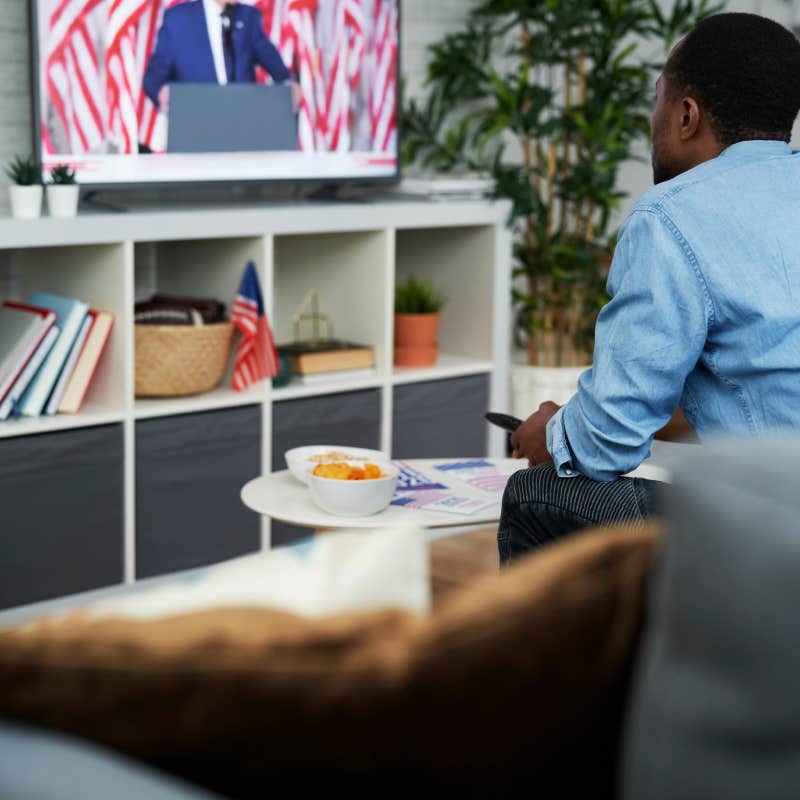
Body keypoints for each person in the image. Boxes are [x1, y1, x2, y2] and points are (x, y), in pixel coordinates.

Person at [498, 12, 800, 564]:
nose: (652, 118)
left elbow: (608, 440)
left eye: (658, 98)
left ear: (687, 116)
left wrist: (555, 435)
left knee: (535, 495)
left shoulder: (673, 216)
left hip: (779, 531)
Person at [142, 0, 291, 112]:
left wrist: (289, 86)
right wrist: (163, 94)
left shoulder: (248, 17)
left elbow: (279, 72)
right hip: (195, 125)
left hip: (244, 122)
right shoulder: (178, 20)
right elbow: (153, 80)